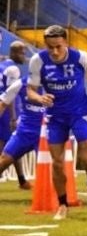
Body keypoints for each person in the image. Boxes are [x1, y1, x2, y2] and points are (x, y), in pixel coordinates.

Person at [27, 25, 87, 220]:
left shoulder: (80, 57)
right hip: (55, 117)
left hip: (80, 112)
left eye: (58, 47)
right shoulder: (38, 61)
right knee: (58, 163)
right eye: (50, 46)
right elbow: (30, 90)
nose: (54, 51)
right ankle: (62, 205)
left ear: (66, 43)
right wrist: (39, 98)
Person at [0, 42, 45, 185]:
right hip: (24, 131)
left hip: (45, 134)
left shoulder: (56, 86)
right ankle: (22, 180)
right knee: (4, 159)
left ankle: (58, 197)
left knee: (50, 167)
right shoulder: (20, 83)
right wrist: (14, 117)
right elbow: (3, 102)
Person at [0, 41, 32, 190]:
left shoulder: (2, 65)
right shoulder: (13, 69)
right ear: (14, 53)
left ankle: (22, 180)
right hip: (5, 109)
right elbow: (10, 94)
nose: (24, 56)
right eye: (22, 53)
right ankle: (22, 180)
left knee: (12, 145)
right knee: (7, 146)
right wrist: (13, 117)